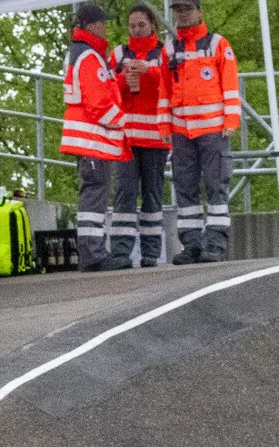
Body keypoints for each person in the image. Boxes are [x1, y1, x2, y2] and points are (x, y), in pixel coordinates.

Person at [164, 0, 240, 264]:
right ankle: (192, 245)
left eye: (186, 9)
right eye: (177, 10)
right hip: (181, 131)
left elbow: (230, 86)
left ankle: (216, 244)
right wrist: (165, 125)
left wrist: (231, 120)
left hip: (213, 130)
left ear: (199, 12)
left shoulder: (218, 44)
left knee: (216, 187)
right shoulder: (170, 48)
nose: (182, 15)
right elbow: (165, 91)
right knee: (185, 189)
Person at [62, 4, 132, 271]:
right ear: (91, 25)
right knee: (94, 196)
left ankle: (94, 253)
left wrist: (120, 80)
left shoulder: (82, 53)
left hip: (88, 139)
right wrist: (122, 121)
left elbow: (101, 90)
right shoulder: (89, 56)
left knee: (93, 194)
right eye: (102, 22)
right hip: (91, 138)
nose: (105, 27)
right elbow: (98, 102)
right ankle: (93, 255)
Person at [110, 5, 171, 267]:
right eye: (132, 26)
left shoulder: (163, 53)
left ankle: (150, 254)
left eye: (141, 25)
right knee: (124, 193)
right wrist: (126, 80)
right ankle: (121, 253)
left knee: (153, 195)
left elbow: (172, 85)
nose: (136, 30)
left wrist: (149, 71)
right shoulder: (119, 53)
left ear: (152, 26)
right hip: (125, 138)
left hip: (156, 137)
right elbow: (108, 88)